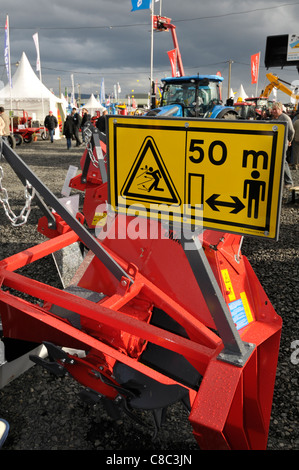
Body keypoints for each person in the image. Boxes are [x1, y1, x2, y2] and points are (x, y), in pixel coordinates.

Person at [271, 102, 294, 188]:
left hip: (283, 142)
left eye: (275, 109)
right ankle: (281, 181)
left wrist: (289, 140)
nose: (273, 111)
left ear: (280, 109)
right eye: (273, 109)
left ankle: (289, 182)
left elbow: (292, 131)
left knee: (283, 161)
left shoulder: (285, 118)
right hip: (277, 142)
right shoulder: (276, 118)